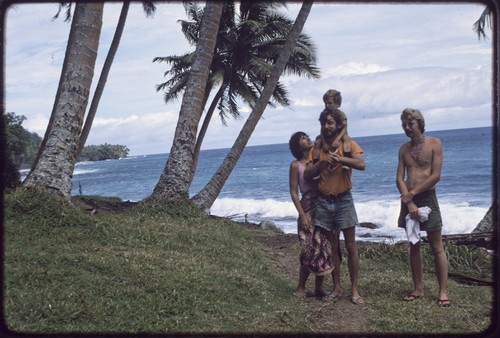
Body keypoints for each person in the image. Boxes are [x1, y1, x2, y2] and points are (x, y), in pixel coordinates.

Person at [304, 109, 365, 305]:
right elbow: (307, 175)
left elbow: (361, 164)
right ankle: (337, 287)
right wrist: (322, 162)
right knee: (332, 247)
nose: (327, 126)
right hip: (324, 201)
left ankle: (354, 290)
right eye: (324, 123)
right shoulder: (317, 149)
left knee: (351, 246)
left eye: (330, 123)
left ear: (338, 125)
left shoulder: (348, 145)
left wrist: (340, 159)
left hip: (344, 199)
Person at [396, 108, 450, 307]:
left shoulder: (435, 143)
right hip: (408, 200)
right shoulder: (403, 149)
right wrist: (408, 200)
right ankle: (418, 288)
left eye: (410, 124)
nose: (407, 128)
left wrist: (413, 194)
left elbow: (436, 175)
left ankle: (443, 291)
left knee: (437, 246)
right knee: (414, 244)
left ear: (419, 123)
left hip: (427, 197)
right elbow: (399, 178)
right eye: (404, 125)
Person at [288, 131, 334, 301]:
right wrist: (303, 216)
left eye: (307, 136)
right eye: (302, 138)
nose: (307, 138)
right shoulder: (296, 165)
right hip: (307, 206)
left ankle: (318, 289)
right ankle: (301, 287)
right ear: (297, 146)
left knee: (324, 248)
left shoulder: (318, 160)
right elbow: (293, 192)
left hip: (322, 204)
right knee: (309, 249)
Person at [320, 89, 351, 164]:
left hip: (340, 134)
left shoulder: (341, 114)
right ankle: (315, 163)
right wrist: (324, 143)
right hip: (327, 135)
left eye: (330, 103)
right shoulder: (324, 114)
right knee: (317, 142)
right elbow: (322, 129)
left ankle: (347, 158)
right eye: (326, 103)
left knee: (346, 138)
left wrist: (338, 139)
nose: (327, 105)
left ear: (337, 104)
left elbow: (344, 128)